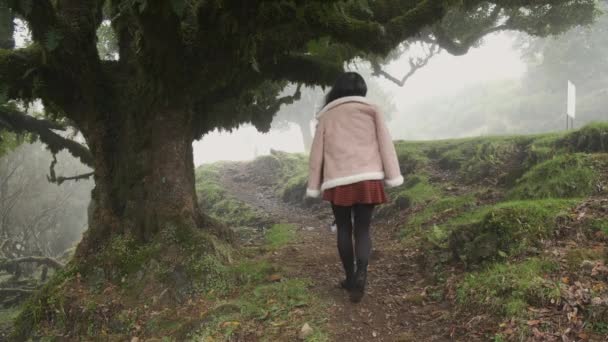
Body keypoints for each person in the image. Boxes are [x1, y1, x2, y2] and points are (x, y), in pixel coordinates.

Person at [306, 72, 403, 303]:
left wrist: (313, 184)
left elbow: (316, 154)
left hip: (338, 180)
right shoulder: (372, 110)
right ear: (361, 90)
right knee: (362, 229)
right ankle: (362, 274)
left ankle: (350, 278)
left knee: (342, 228)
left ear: (336, 89)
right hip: (368, 178)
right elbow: (385, 144)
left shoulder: (326, 116)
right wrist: (393, 175)